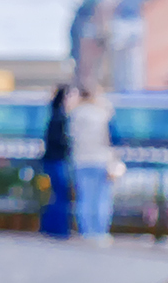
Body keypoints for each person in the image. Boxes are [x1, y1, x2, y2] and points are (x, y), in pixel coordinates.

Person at [72, 83, 119, 243]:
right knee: (102, 198)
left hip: (81, 160)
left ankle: (86, 231)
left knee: (84, 197)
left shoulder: (75, 114)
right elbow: (113, 139)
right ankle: (100, 233)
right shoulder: (103, 113)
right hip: (101, 159)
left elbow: (71, 138)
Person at [40, 85, 75, 239]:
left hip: (51, 159)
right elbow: (58, 140)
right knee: (61, 194)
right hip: (57, 160)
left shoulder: (54, 115)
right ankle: (58, 229)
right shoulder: (61, 118)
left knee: (57, 194)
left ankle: (51, 227)